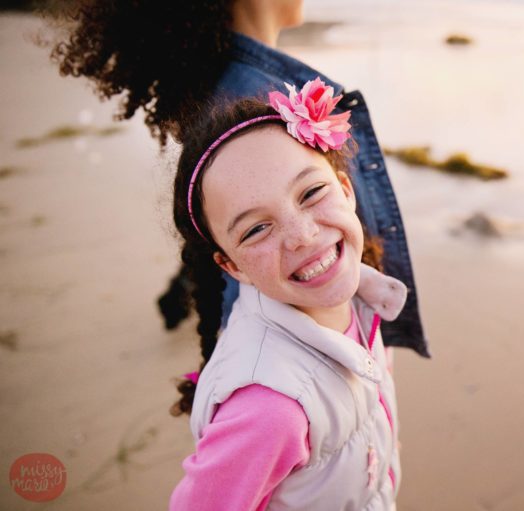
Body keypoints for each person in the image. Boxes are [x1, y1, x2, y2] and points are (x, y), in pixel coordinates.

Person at [49, 0, 429, 358]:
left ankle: (181, 293)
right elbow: (259, 290)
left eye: (312, 192)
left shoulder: (221, 74)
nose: (303, 232)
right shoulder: (250, 95)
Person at [168, 80, 402, 509]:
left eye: (311, 193)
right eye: (257, 229)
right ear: (232, 266)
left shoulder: (364, 297)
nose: (303, 235)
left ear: (346, 191)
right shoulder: (270, 410)